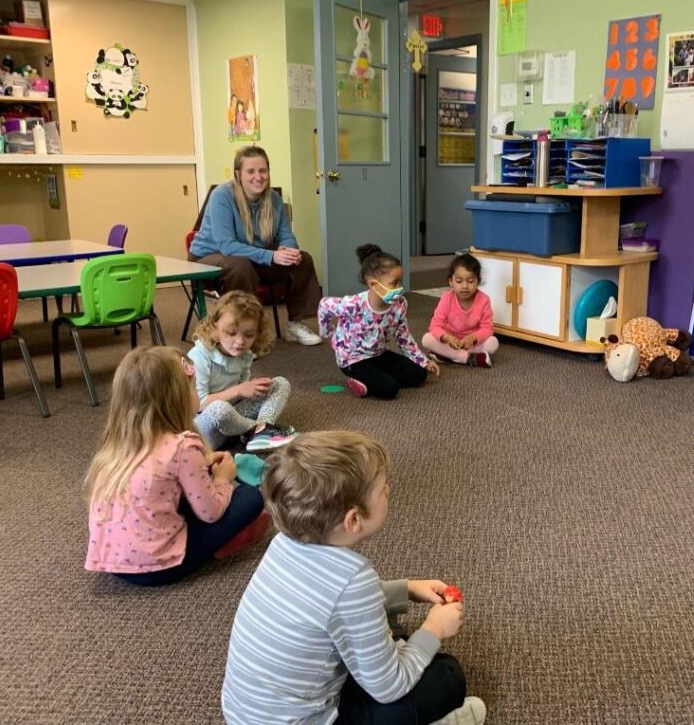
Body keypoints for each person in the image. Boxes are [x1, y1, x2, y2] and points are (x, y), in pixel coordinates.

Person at [221, 431, 486, 725]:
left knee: (386, 638)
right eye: (382, 488)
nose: (388, 491)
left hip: (246, 716)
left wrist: (406, 589)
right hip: (309, 719)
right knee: (447, 677)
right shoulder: (353, 582)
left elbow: (326, 604)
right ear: (353, 520)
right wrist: (434, 629)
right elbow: (390, 687)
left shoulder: (283, 543)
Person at [84, 346, 268, 587]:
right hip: (158, 568)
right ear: (178, 397)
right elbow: (211, 512)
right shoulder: (182, 446)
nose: (197, 392)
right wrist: (224, 477)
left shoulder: (116, 443)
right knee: (250, 498)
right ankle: (216, 549)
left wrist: (203, 467)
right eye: (192, 387)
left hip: (112, 562)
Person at [189, 145, 323, 346]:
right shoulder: (221, 196)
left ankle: (295, 324)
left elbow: (286, 236)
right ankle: (241, 331)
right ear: (238, 174)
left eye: (263, 170)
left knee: (302, 260)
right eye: (250, 171)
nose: (258, 177)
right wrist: (271, 256)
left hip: (251, 259)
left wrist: (289, 251)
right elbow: (227, 246)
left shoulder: (275, 200)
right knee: (240, 265)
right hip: (208, 258)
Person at [318, 244, 439, 399]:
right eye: (394, 283)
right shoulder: (354, 304)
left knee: (419, 374)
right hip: (353, 358)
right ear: (373, 285)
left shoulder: (399, 304)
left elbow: (404, 337)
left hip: (378, 354)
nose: (400, 288)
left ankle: (375, 377)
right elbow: (324, 305)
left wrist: (423, 361)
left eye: (400, 282)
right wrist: (329, 334)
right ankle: (359, 379)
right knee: (389, 390)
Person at [190, 290, 296, 453]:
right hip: (203, 428)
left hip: (234, 419)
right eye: (231, 333)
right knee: (219, 408)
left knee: (280, 383)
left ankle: (259, 433)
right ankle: (259, 430)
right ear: (215, 327)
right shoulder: (199, 356)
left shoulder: (244, 354)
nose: (239, 342)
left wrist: (253, 389)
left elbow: (240, 398)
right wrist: (239, 390)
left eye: (249, 335)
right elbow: (199, 405)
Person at [420, 253, 497, 367]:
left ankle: (446, 356)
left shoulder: (484, 300)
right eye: (459, 281)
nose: (465, 286)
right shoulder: (446, 298)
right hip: (450, 342)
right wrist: (447, 338)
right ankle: (465, 358)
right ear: (451, 281)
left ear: (478, 281)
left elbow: (488, 328)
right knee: (426, 339)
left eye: (470, 281)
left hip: (470, 343)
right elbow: (434, 326)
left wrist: (474, 337)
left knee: (493, 343)